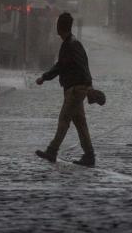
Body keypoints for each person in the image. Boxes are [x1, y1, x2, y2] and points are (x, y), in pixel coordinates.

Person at [35, 12, 100, 167]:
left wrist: (88, 85)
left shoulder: (72, 45)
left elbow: (83, 65)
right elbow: (60, 66)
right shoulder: (69, 44)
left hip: (75, 90)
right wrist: (45, 77)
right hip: (74, 89)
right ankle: (89, 155)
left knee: (64, 120)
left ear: (60, 27)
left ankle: (52, 150)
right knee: (80, 123)